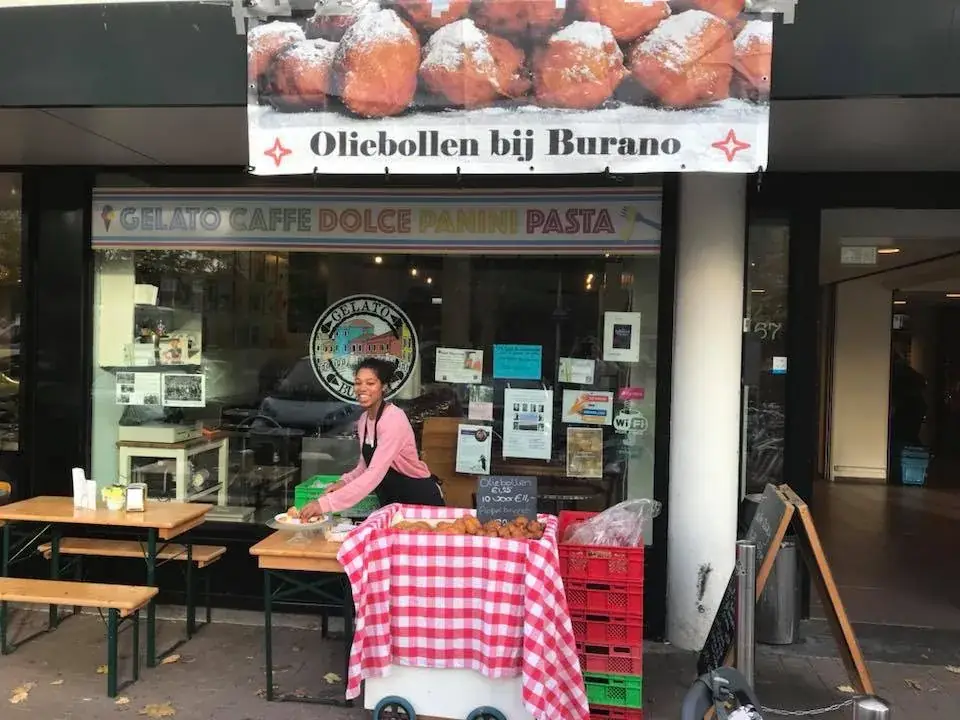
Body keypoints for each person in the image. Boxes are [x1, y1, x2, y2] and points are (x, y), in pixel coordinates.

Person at [300, 357, 444, 519]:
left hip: (418, 500)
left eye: (370, 383)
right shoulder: (364, 421)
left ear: (383, 387)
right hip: (392, 502)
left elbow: (374, 473)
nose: (362, 388)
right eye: (358, 382)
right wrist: (344, 482)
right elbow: (364, 466)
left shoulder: (393, 419)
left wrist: (325, 504)